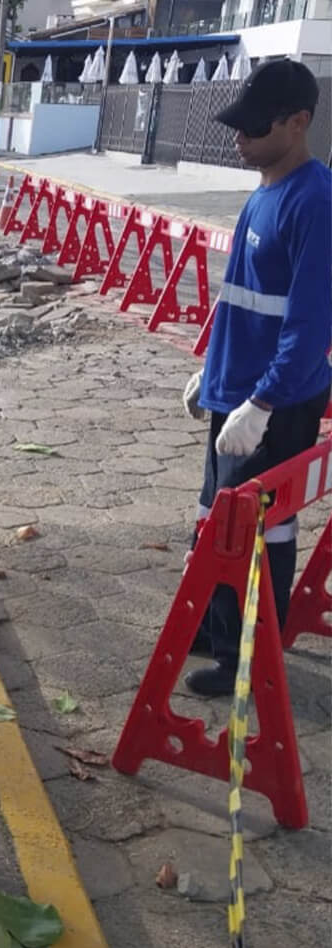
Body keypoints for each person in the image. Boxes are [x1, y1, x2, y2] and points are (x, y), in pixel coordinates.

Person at [181, 59, 331, 697]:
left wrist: (263, 403)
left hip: (274, 400)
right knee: (215, 517)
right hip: (233, 387)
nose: (238, 138)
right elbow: (240, 298)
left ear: (297, 123)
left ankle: (243, 654)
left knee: (260, 530)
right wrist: (210, 372)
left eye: (253, 126)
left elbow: (306, 324)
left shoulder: (315, 203)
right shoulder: (264, 189)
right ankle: (214, 626)